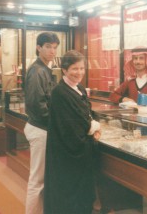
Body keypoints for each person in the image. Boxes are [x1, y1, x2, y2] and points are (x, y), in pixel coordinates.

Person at [44, 50, 101, 214]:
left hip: (79, 156)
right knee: (69, 200)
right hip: (67, 156)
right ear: (64, 70)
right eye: (74, 69)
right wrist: (93, 128)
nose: (79, 73)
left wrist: (93, 125)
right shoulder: (59, 93)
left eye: (82, 68)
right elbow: (70, 129)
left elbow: (87, 113)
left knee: (82, 199)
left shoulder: (79, 88)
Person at [23, 32, 60, 214]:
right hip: (39, 129)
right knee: (37, 181)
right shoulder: (38, 71)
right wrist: (56, 124)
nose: (52, 51)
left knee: (41, 180)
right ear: (39, 48)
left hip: (42, 128)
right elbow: (37, 105)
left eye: (54, 47)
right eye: (48, 47)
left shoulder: (45, 69)